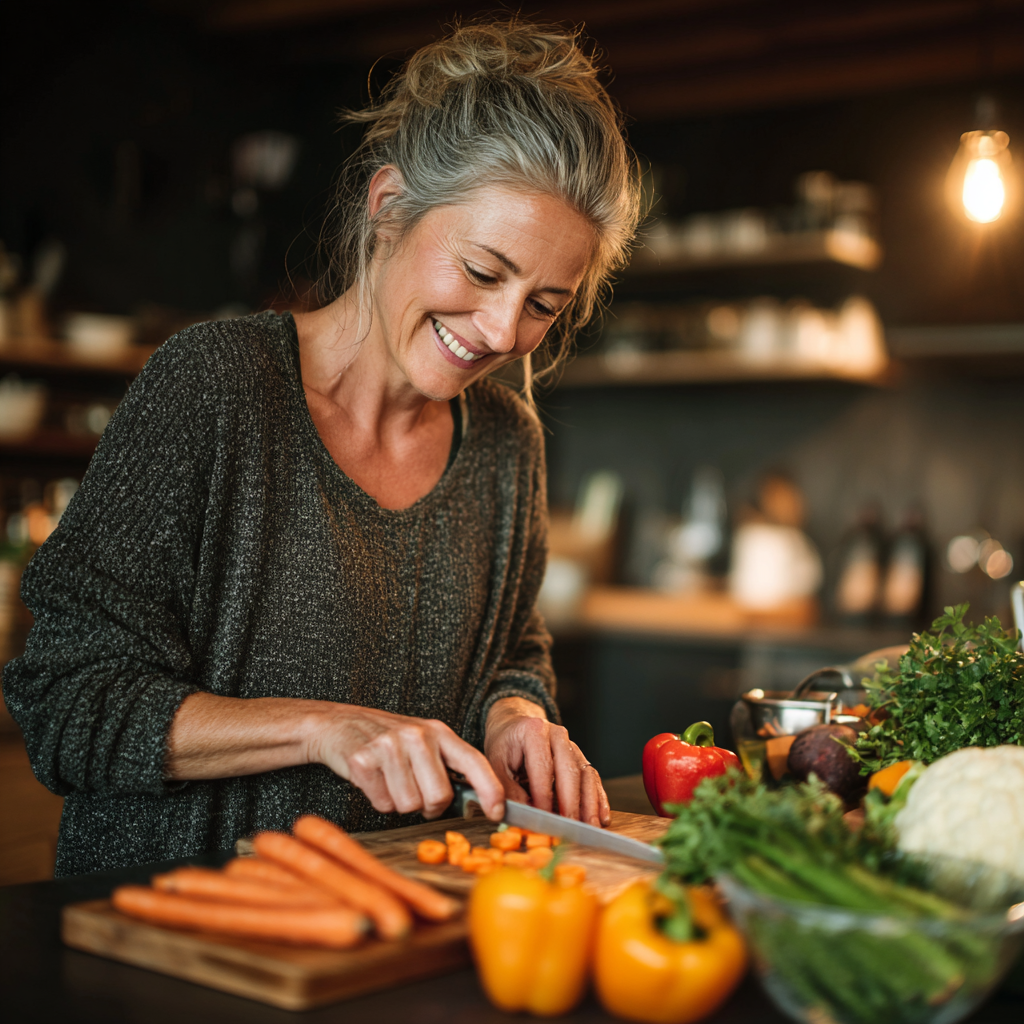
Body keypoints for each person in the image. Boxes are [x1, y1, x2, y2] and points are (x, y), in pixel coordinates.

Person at [3, 20, 642, 877]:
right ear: (387, 210)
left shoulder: (504, 445)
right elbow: (64, 701)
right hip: (174, 935)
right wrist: (321, 727)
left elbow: (509, 653)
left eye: (545, 304)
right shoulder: (214, 389)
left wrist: (515, 717)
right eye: (484, 272)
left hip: (393, 927)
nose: (502, 330)